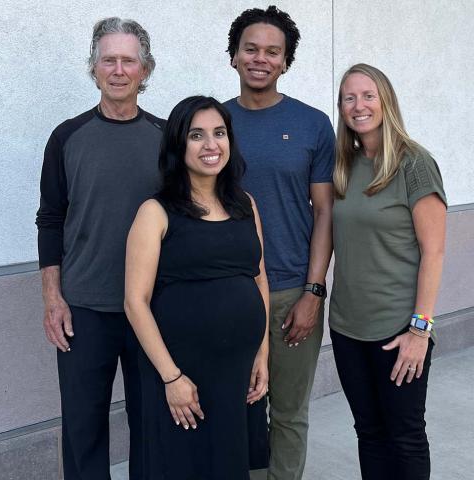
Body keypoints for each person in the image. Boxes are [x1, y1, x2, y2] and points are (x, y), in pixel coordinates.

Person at [35, 17, 164, 479]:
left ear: (145, 70)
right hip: (83, 309)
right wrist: (53, 298)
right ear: (93, 68)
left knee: (152, 426)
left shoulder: (167, 139)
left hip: (151, 308)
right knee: (84, 429)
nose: (118, 69)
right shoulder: (67, 137)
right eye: (108, 59)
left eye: (129, 60)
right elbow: (50, 220)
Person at [124, 96, 270, 480]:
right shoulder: (155, 212)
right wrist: (171, 378)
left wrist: (262, 354)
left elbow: (258, 278)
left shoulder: (245, 204)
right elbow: (135, 302)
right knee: (183, 465)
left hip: (238, 367)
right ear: (178, 144)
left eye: (219, 133)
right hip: (181, 371)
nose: (211, 145)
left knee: (229, 463)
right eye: (197, 135)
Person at [224, 6, 335, 480]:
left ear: (286, 62)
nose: (260, 58)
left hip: (292, 290)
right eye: (251, 48)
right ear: (234, 56)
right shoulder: (213, 123)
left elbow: (325, 212)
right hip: (229, 292)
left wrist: (314, 291)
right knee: (231, 411)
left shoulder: (312, 124)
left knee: (288, 414)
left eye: (273, 51)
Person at [329, 63, 447, 480]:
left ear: (386, 101)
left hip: (398, 331)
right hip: (346, 328)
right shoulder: (345, 164)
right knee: (370, 433)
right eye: (349, 97)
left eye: (367, 96)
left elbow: (433, 252)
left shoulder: (414, 164)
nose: (358, 105)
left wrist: (420, 329)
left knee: (406, 435)